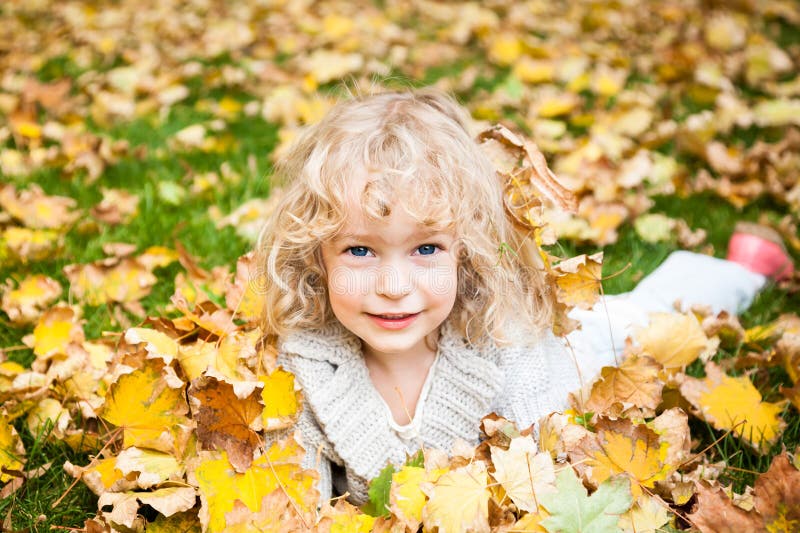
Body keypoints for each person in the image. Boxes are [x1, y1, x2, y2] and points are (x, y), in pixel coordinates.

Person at [255, 88, 794, 504]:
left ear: (465, 251)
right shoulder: (306, 366)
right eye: (360, 251)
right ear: (315, 255)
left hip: (573, 354)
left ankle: (739, 270)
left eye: (425, 249)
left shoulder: (508, 344)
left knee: (647, 319)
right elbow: (294, 502)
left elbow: (549, 473)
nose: (395, 287)